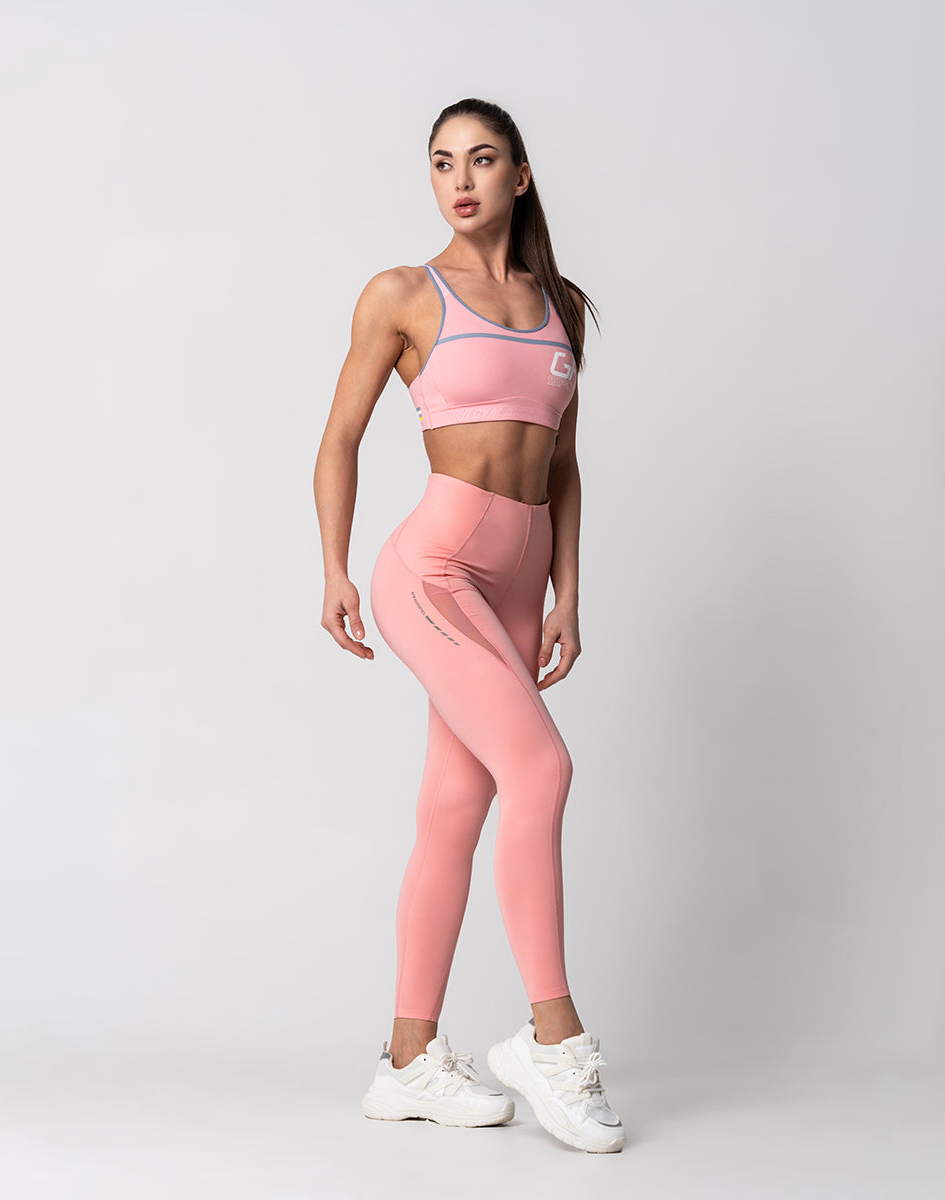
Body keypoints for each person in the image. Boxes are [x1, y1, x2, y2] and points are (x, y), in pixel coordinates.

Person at [313, 98, 625, 1154]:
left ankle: (407, 1061)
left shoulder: (557, 304)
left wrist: (567, 593)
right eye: (444, 162)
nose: (461, 179)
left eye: (482, 159)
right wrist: (334, 568)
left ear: (519, 176)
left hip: (520, 582)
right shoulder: (404, 293)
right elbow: (339, 438)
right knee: (540, 770)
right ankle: (553, 1038)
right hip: (434, 571)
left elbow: (563, 464)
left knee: (455, 808)